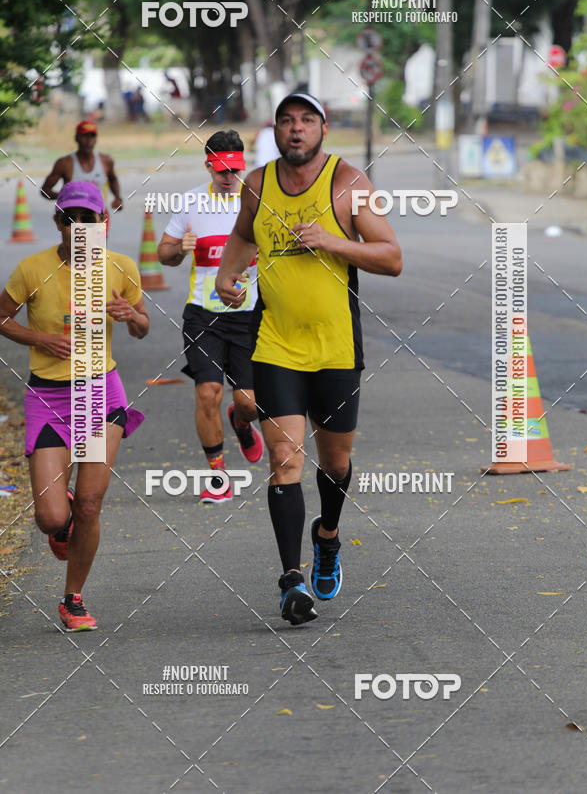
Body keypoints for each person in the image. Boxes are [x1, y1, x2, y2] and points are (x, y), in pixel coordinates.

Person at [215, 92, 402, 625]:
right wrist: (228, 276)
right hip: (276, 344)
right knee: (285, 463)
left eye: (306, 121)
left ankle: (328, 536)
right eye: (286, 121)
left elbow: (391, 258)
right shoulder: (257, 184)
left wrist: (332, 241)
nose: (295, 130)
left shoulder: (350, 185)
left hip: (336, 347)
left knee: (336, 464)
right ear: (275, 130)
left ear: (323, 129)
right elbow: (243, 235)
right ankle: (290, 581)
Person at [0, 181, 149, 631]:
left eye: (89, 219)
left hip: (100, 395)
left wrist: (133, 318)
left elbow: (142, 326)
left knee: (88, 505)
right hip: (48, 395)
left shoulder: (121, 268)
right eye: (71, 219)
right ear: (58, 222)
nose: (80, 227)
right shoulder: (31, 269)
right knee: (51, 519)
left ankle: (73, 598)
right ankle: (59, 513)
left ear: (103, 223)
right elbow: (2, 317)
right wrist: (40, 338)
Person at [157, 130, 264, 504]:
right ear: (208, 166)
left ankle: (241, 421)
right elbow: (164, 253)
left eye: (235, 169)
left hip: (249, 316)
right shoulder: (190, 203)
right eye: (221, 170)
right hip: (203, 316)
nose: (228, 177)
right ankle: (217, 476)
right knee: (207, 392)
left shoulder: (257, 204)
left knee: (250, 402)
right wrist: (179, 250)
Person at [40, 120, 123, 213]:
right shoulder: (64, 163)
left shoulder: (106, 161)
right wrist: (65, 195)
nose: (89, 140)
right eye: (85, 136)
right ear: (76, 138)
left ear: (96, 139)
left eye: (92, 136)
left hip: (99, 216)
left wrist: (117, 198)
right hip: (73, 218)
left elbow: (113, 179)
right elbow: (45, 191)